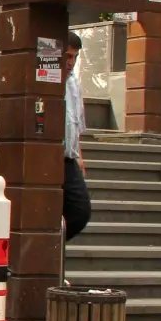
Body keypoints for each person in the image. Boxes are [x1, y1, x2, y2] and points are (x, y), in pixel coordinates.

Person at [64, 31, 91, 241]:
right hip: (51, 157)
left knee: (80, 212)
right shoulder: (48, 79)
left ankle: (50, 247)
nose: (70, 62)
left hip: (69, 157)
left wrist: (79, 154)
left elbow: (76, 122)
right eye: (67, 56)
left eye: (74, 57)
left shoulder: (74, 82)